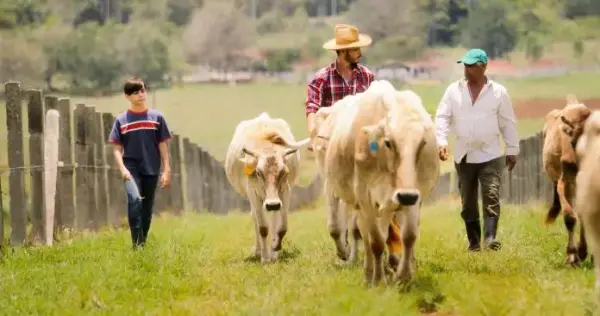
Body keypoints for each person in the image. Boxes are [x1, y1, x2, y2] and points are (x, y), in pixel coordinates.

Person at [435, 48, 520, 252]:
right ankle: (474, 244)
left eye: (472, 66)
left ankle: (490, 239)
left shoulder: (498, 92)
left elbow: (507, 122)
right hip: (463, 155)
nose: (467, 69)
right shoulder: (453, 91)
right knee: (468, 203)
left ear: (483, 67)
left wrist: (512, 149)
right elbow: (442, 117)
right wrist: (441, 141)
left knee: (491, 194)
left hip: (490, 153)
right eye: (465, 65)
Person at [108, 77, 172, 249]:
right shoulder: (121, 120)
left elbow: (162, 145)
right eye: (135, 92)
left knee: (146, 208)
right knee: (135, 200)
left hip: (151, 167)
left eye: (142, 90)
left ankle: (142, 242)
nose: (140, 95)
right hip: (131, 168)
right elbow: (116, 148)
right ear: (127, 96)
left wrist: (166, 169)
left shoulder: (157, 118)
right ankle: (137, 245)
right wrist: (122, 169)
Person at [305, 23, 374, 139]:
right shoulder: (321, 78)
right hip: (330, 140)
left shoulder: (367, 76)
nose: (360, 53)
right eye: (356, 49)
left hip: (358, 141)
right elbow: (312, 106)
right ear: (342, 52)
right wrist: (313, 134)